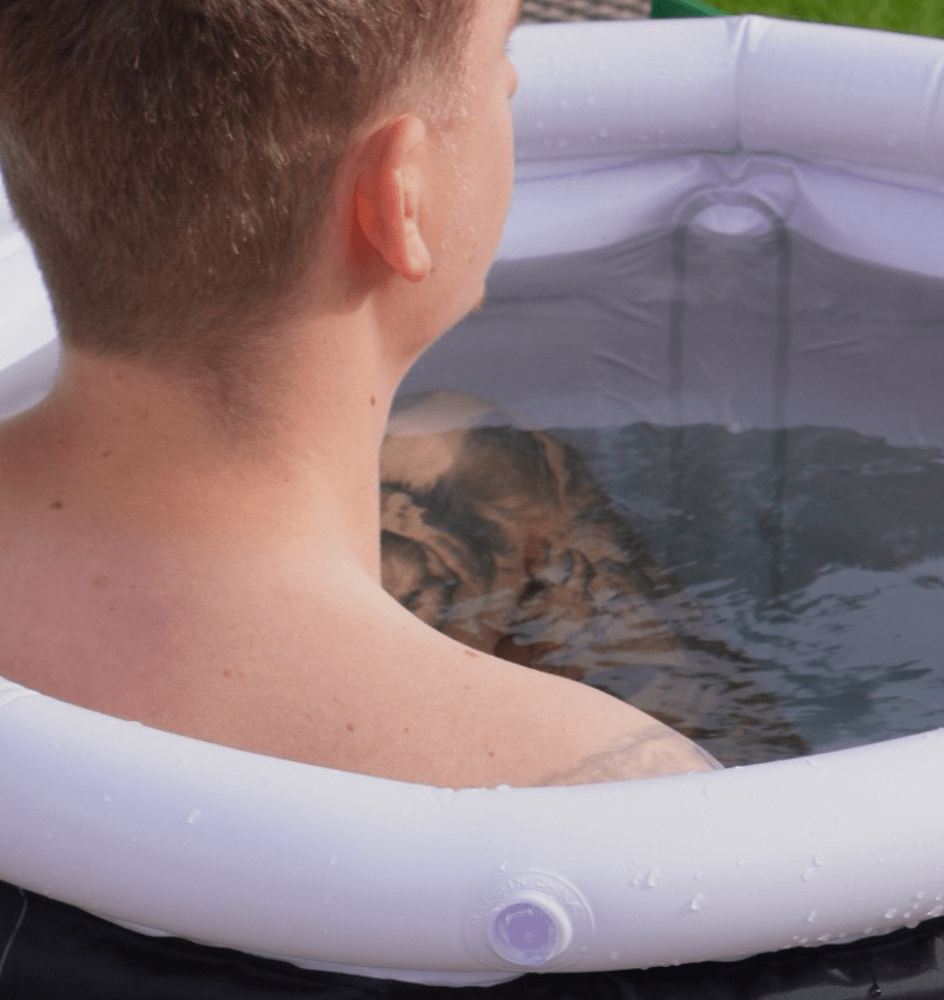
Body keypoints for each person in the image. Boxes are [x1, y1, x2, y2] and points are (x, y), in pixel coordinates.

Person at [0, 0, 720, 788]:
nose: (510, 79)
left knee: (465, 455)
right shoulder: (603, 787)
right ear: (397, 195)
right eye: (500, 55)